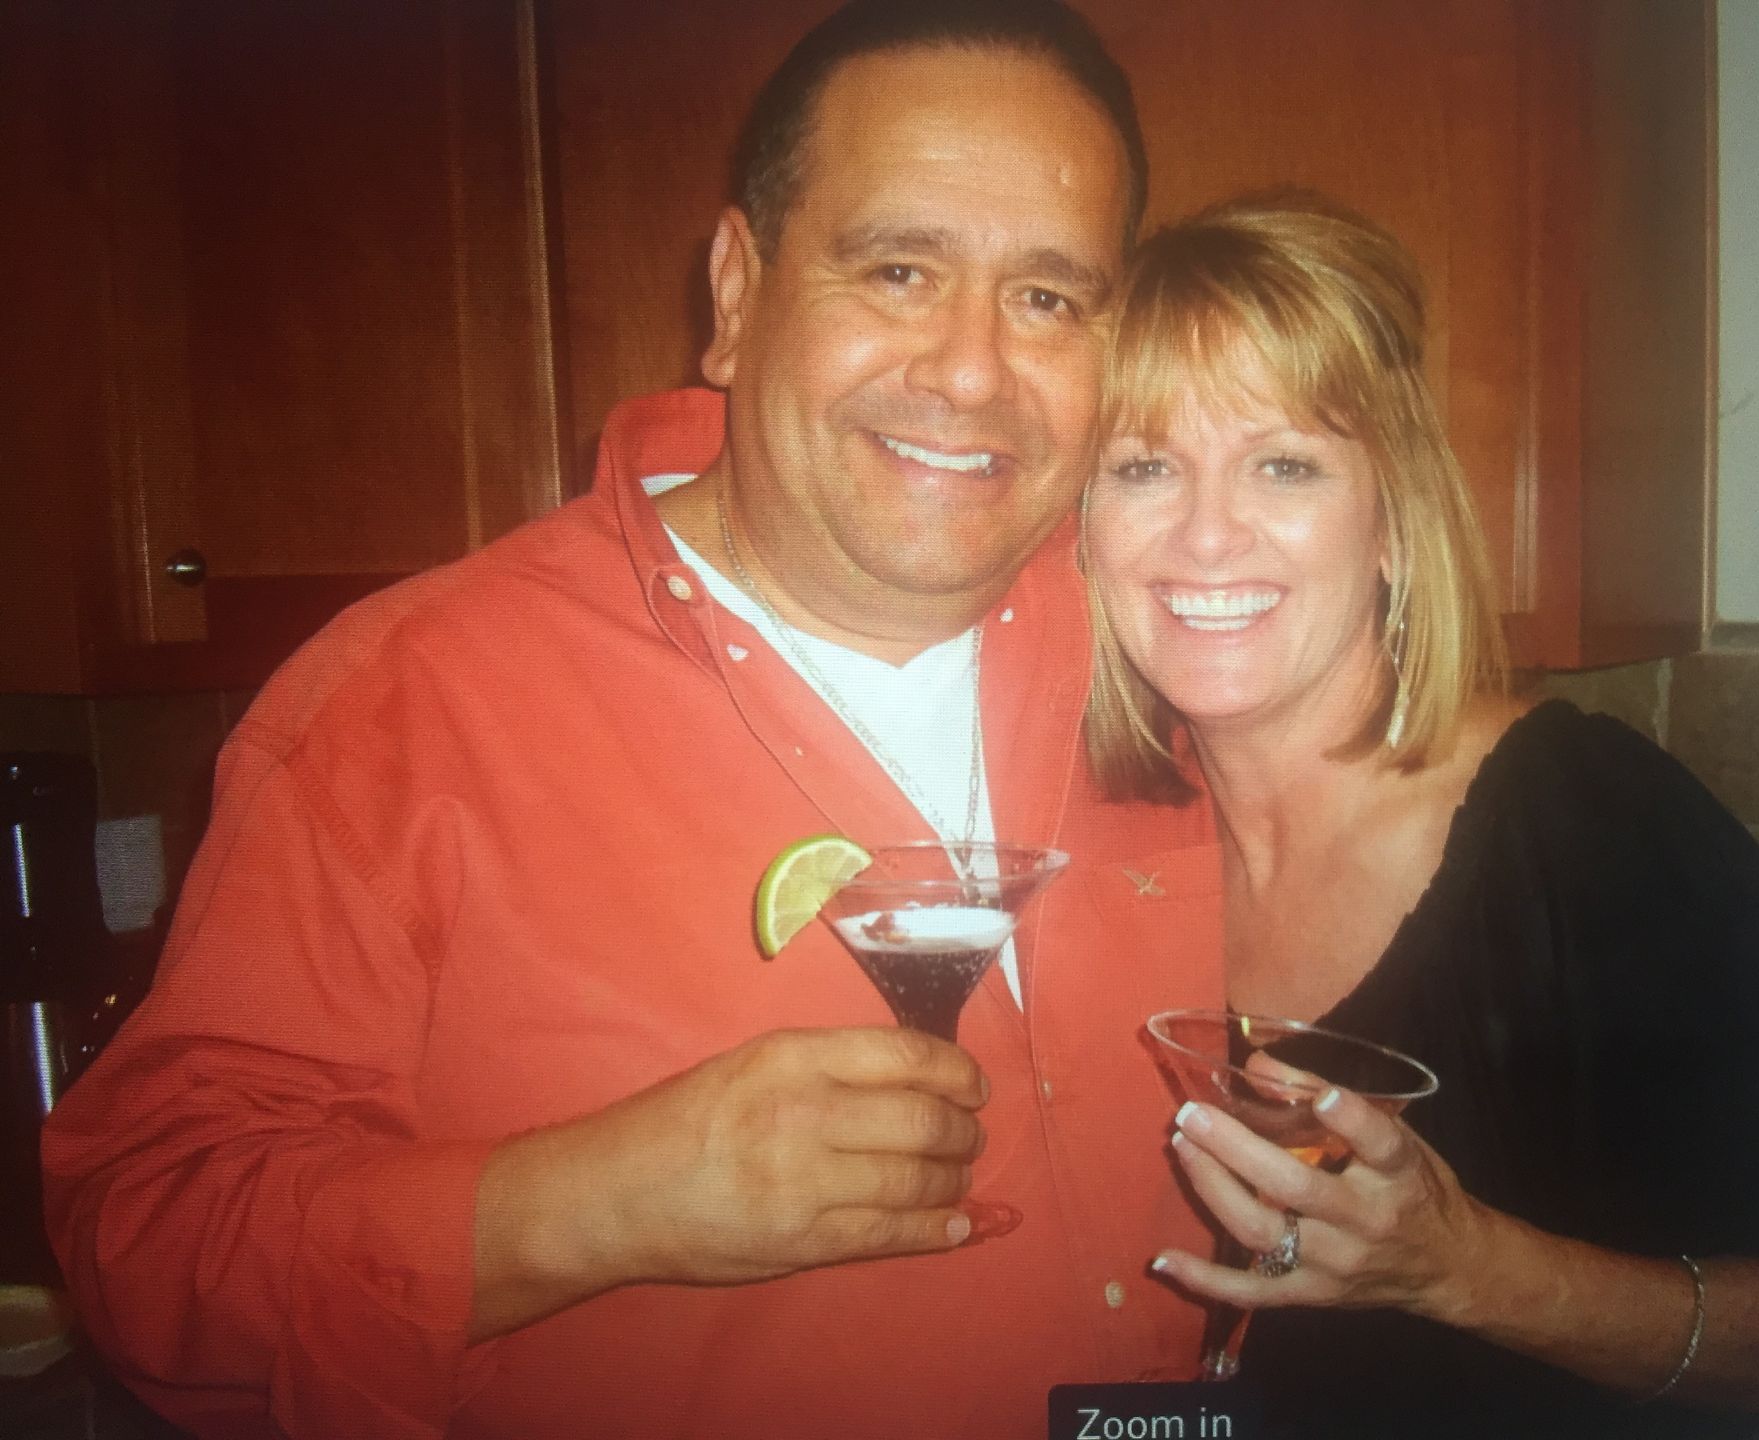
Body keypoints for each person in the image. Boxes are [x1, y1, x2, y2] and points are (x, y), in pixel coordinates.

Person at [40, 5, 1224, 1436]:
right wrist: (589, 1207)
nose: (972, 369)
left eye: (1049, 298)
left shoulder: (1184, 648)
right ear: (736, 292)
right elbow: (142, 1237)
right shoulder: (396, 712)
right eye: (898, 268)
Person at [1079, 191, 1759, 1427]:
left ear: (1393, 526)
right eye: (1146, 465)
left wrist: (1457, 1264)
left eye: (1285, 463)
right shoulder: (1109, 847)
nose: (1205, 534)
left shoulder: (1591, 836)